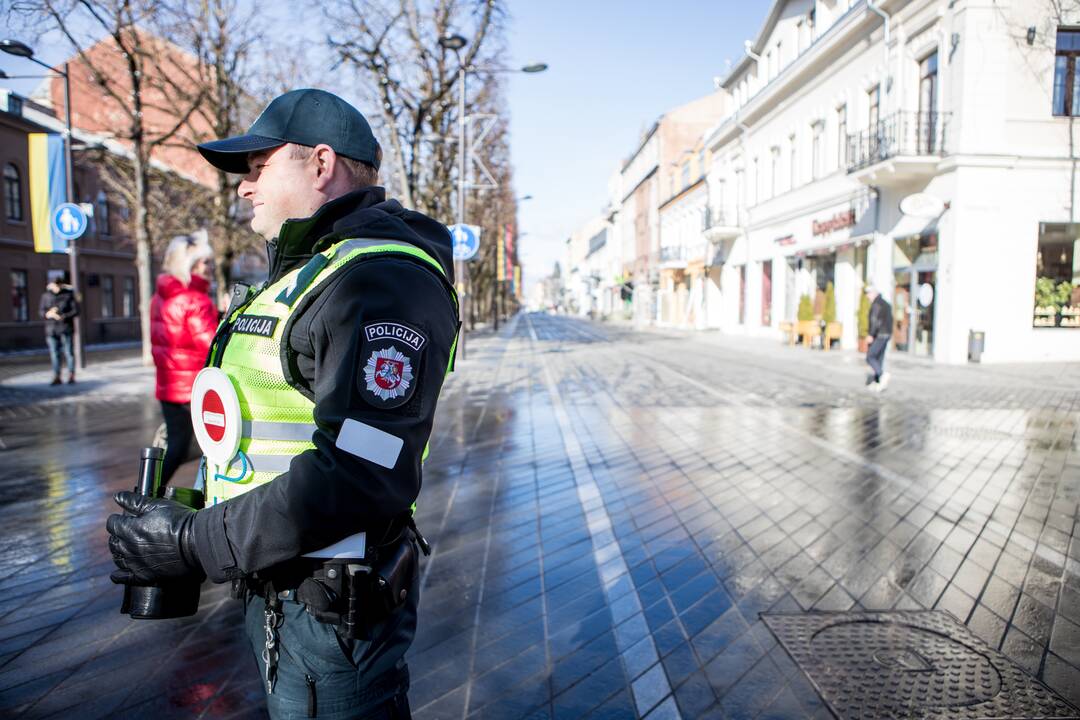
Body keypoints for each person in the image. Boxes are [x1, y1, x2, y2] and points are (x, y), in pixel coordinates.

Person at [106, 89, 459, 720]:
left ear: (321, 165)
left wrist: (192, 542)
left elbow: (361, 473)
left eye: (258, 166)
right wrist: (196, 508)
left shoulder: (379, 281)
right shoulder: (310, 272)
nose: (242, 187)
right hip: (281, 588)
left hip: (332, 614)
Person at [150, 234, 218, 485]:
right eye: (204, 263)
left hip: (168, 385)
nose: (209, 268)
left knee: (176, 446)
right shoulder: (194, 300)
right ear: (188, 265)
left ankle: (147, 492)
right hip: (193, 389)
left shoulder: (160, 297)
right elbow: (212, 344)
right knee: (211, 449)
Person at [39, 273, 79, 385]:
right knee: (54, 353)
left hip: (65, 327)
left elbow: (76, 310)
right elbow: (41, 311)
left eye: (58, 284)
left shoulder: (69, 295)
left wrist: (64, 316)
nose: (56, 286)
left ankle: (71, 375)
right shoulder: (46, 296)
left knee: (69, 352)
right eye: (54, 284)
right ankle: (57, 376)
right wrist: (48, 314)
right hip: (51, 329)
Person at [865, 285, 893, 391]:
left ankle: (882, 374)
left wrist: (871, 334)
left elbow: (875, 321)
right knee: (879, 357)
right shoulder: (886, 304)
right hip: (886, 334)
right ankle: (879, 382)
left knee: (870, 356)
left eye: (868, 294)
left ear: (873, 293)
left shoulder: (876, 304)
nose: (867, 297)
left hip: (880, 334)